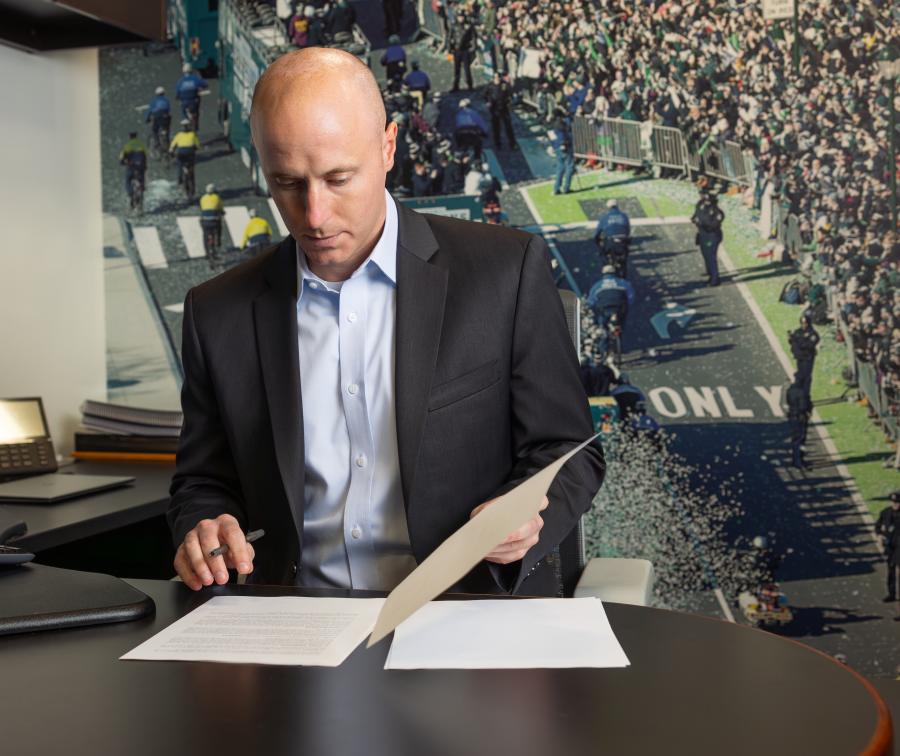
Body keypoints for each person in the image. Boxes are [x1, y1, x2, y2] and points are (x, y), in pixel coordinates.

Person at [167, 47, 604, 596]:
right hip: (292, 625)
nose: (315, 215)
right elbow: (203, 482)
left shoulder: (505, 272)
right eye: (287, 183)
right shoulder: (216, 312)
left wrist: (522, 515)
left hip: (462, 616)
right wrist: (204, 527)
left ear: (388, 147)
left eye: (338, 178)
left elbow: (570, 452)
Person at [587, 264, 635, 333]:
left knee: (603, 325)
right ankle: (622, 330)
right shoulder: (623, 282)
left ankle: (604, 335)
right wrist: (628, 304)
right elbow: (631, 296)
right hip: (619, 308)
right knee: (622, 319)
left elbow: (591, 301)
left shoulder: (597, 285)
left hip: (604, 308)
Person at [691, 191, 724, 286]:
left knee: (711, 256)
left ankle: (715, 279)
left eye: (708, 201)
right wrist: (694, 219)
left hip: (712, 236)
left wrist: (701, 223)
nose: (706, 202)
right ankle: (709, 272)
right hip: (702, 234)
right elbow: (696, 214)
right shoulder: (700, 205)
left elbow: (713, 225)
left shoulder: (718, 212)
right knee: (705, 254)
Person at [593, 199, 631, 275]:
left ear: (608, 207)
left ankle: (607, 266)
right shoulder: (624, 216)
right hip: (623, 241)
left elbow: (598, 232)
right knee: (624, 256)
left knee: (603, 253)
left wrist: (596, 240)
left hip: (611, 241)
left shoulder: (605, 217)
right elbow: (627, 230)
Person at [875, 492, 900, 606]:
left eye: (898, 502)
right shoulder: (886, 513)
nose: (896, 504)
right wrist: (879, 536)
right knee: (890, 569)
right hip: (890, 546)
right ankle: (891, 593)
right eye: (894, 502)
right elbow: (878, 526)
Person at [789, 313, 820, 399]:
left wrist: (801, 343)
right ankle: (799, 393)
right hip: (800, 357)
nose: (803, 325)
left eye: (805, 323)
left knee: (806, 376)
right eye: (802, 323)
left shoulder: (812, 333)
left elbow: (810, 344)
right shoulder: (798, 332)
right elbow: (793, 342)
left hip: (808, 357)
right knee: (800, 375)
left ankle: (805, 394)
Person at [785, 373, 812, 469]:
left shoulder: (790, 390)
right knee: (800, 439)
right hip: (800, 417)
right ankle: (799, 460)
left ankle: (795, 459)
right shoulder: (802, 392)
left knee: (795, 439)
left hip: (792, 415)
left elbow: (788, 401)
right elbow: (803, 406)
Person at [485, 72, 517, 150]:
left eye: (498, 77)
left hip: (504, 108)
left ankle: (512, 143)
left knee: (508, 127)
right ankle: (497, 143)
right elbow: (485, 95)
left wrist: (509, 102)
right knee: (496, 127)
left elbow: (510, 94)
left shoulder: (504, 85)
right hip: (495, 108)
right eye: (495, 78)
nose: (497, 79)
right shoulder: (490, 86)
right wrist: (488, 102)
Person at [169, 119, 200, 195]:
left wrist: (171, 152)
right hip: (190, 152)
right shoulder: (192, 134)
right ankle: (192, 184)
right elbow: (198, 145)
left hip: (181, 153)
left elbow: (172, 145)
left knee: (180, 164)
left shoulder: (179, 135)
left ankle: (180, 179)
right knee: (191, 167)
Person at [174, 63, 208, 130]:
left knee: (183, 110)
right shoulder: (195, 79)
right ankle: (196, 126)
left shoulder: (180, 81)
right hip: (194, 101)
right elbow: (205, 84)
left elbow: (177, 93)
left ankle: (185, 120)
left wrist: (178, 97)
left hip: (184, 102)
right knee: (196, 112)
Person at [449, 11, 476, 92]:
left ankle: (470, 85)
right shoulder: (454, 26)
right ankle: (456, 86)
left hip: (465, 50)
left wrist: (473, 48)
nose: (461, 18)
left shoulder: (468, 26)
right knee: (456, 69)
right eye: (459, 17)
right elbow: (450, 37)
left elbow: (473, 37)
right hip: (457, 50)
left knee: (467, 69)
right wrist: (449, 49)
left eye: (462, 17)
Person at [118, 131, 147, 207]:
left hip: (131, 167)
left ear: (129, 137)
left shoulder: (127, 145)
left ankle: (131, 193)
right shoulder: (141, 145)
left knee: (127, 180)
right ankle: (142, 186)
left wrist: (122, 162)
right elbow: (146, 154)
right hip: (141, 167)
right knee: (141, 178)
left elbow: (122, 156)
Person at [550, 110, 574, 196]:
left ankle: (556, 188)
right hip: (565, 147)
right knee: (569, 166)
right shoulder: (562, 123)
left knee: (560, 167)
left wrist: (554, 146)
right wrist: (563, 144)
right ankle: (566, 188)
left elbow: (552, 137)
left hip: (557, 148)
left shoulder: (551, 124)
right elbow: (564, 134)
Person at [199, 183, 224, 257]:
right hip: (214, 221)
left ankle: (206, 253)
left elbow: (202, 207)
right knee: (219, 227)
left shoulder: (203, 198)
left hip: (205, 221)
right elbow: (221, 208)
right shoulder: (217, 197)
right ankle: (218, 241)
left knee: (205, 235)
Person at [145, 86, 171, 153]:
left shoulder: (154, 101)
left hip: (157, 117)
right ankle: (167, 141)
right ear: (164, 93)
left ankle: (157, 144)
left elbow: (149, 111)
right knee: (166, 129)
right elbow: (168, 110)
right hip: (165, 117)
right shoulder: (166, 100)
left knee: (154, 130)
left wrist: (147, 119)